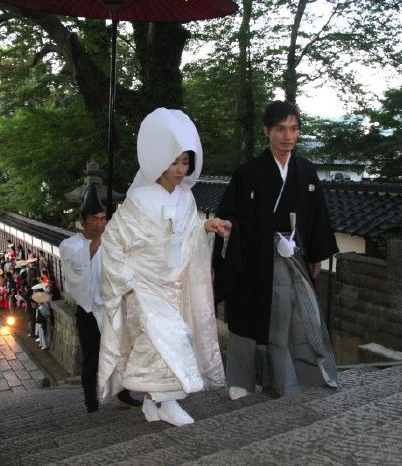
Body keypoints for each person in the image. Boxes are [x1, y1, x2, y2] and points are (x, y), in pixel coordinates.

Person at [97, 108, 228, 426]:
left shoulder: (187, 199)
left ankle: (152, 401)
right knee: (164, 337)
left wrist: (205, 227)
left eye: (185, 161)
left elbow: (186, 237)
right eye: (174, 161)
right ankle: (168, 402)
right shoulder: (138, 201)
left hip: (175, 285)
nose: (181, 169)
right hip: (143, 285)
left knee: (164, 341)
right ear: (158, 159)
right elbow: (113, 242)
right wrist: (126, 280)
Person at [212, 100, 339, 400]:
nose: (288, 136)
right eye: (280, 129)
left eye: (294, 129)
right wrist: (231, 227)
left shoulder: (306, 171)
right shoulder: (248, 173)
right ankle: (241, 380)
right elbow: (233, 213)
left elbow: (317, 215)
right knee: (249, 317)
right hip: (256, 256)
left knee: (296, 315)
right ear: (267, 131)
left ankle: (295, 375)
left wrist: (316, 254)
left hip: (294, 254)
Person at [60, 185, 142, 413]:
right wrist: (101, 238)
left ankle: (123, 393)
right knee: (92, 359)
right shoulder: (70, 245)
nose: (100, 223)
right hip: (87, 309)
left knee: (120, 351)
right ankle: (91, 402)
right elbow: (79, 266)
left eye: (103, 218)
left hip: (112, 307)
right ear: (83, 220)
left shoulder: (111, 241)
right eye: (95, 219)